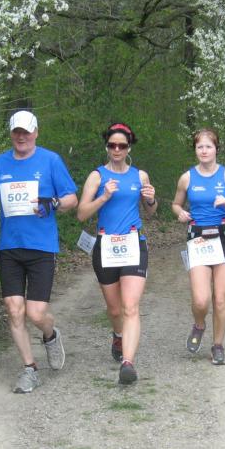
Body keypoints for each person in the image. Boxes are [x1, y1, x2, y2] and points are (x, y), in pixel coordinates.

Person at [0, 110, 78, 393]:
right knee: (14, 310)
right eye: (16, 132)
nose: (21, 136)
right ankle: (29, 368)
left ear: (36, 132)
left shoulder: (50, 160)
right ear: (11, 134)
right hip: (10, 246)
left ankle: (50, 335)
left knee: (36, 314)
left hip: (41, 247)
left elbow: (72, 198)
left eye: (26, 131)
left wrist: (53, 203)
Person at [77, 122, 157, 384]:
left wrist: (151, 199)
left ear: (129, 148)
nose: (117, 149)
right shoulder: (97, 176)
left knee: (130, 306)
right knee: (114, 310)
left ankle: (128, 363)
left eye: (122, 145)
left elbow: (151, 211)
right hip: (106, 246)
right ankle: (118, 335)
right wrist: (103, 197)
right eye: (112, 145)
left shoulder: (140, 176)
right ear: (107, 147)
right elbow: (81, 214)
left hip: (134, 244)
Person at [171, 128, 225, 365]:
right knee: (201, 300)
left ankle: (217, 346)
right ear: (195, 150)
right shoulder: (187, 178)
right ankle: (199, 324)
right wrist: (180, 213)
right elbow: (176, 204)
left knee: (220, 298)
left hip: (223, 240)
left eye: (208, 146)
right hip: (198, 240)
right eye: (200, 147)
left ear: (216, 149)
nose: (204, 151)